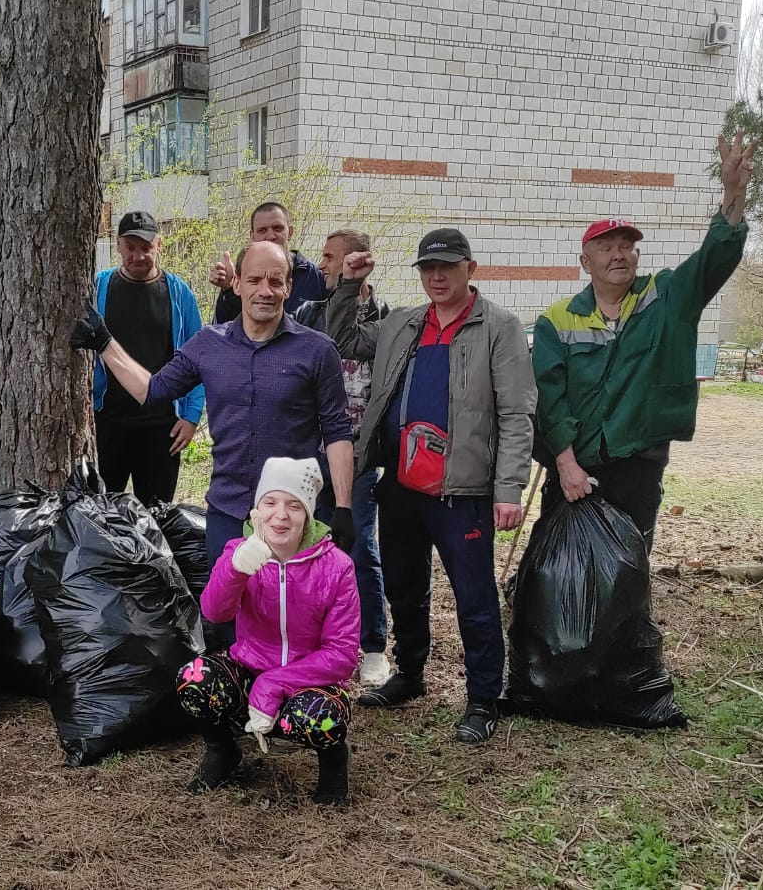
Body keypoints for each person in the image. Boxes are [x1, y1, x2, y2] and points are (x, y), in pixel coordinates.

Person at [325, 228, 536, 744]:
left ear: (471, 268)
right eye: (427, 268)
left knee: (473, 595)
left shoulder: (499, 329)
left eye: (447, 266)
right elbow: (345, 341)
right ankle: (411, 673)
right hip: (399, 481)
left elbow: (517, 414)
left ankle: (484, 697)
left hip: (461, 491)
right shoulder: (404, 324)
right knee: (403, 584)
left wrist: (509, 488)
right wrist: (349, 287)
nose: (436, 276)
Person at [73, 240, 357, 566]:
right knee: (225, 614)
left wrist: (344, 508)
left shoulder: (317, 351)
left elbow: (336, 432)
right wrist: (103, 341)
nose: (265, 290)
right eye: (254, 280)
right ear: (237, 283)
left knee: (289, 615)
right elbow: (152, 390)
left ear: (288, 287)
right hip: (228, 514)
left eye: (275, 281)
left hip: (293, 516)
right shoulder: (209, 346)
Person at [533, 134, 756, 550]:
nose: (619, 255)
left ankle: (628, 617)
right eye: (606, 248)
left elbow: (715, 257)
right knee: (561, 558)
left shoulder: (666, 298)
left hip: (638, 460)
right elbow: (549, 398)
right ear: (586, 262)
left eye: (627, 247)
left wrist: (733, 193)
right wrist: (564, 463)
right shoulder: (557, 321)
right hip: (575, 460)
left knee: (629, 562)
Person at [176, 457, 359, 805]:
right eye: (270, 502)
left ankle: (334, 762)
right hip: (249, 667)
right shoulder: (238, 552)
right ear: (257, 509)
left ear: (308, 515)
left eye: (294, 505)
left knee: (319, 718)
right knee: (194, 678)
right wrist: (236, 569)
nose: (280, 515)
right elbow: (214, 611)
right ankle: (222, 752)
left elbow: (343, 654)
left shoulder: (337, 566)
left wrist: (273, 683)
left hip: (310, 681)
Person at [292, 228, 392, 686]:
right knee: (309, 547)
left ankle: (372, 646)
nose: (324, 265)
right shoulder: (312, 313)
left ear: (357, 261)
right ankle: (315, 640)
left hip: (360, 458)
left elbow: (357, 345)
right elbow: (329, 340)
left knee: (359, 550)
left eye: (331, 258)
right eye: (324, 257)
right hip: (310, 459)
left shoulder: (388, 318)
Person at [90, 211, 205, 505]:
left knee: (157, 518)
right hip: (108, 425)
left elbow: (198, 360)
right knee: (102, 515)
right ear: (118, 246)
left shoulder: (179, 294)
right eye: (131, 248)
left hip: (161, 429)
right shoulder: (99, 288)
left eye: (146, 248)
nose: (138, 256)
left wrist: (191, 417)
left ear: (159, 245)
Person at [208, 202, 327, 323]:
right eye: (262, 230)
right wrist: (228, 288)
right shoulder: (242, 277)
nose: (270, 236)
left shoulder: (315, 277)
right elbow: (226, 331)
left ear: (290, 232)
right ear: (252, 236)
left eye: (277, 228)